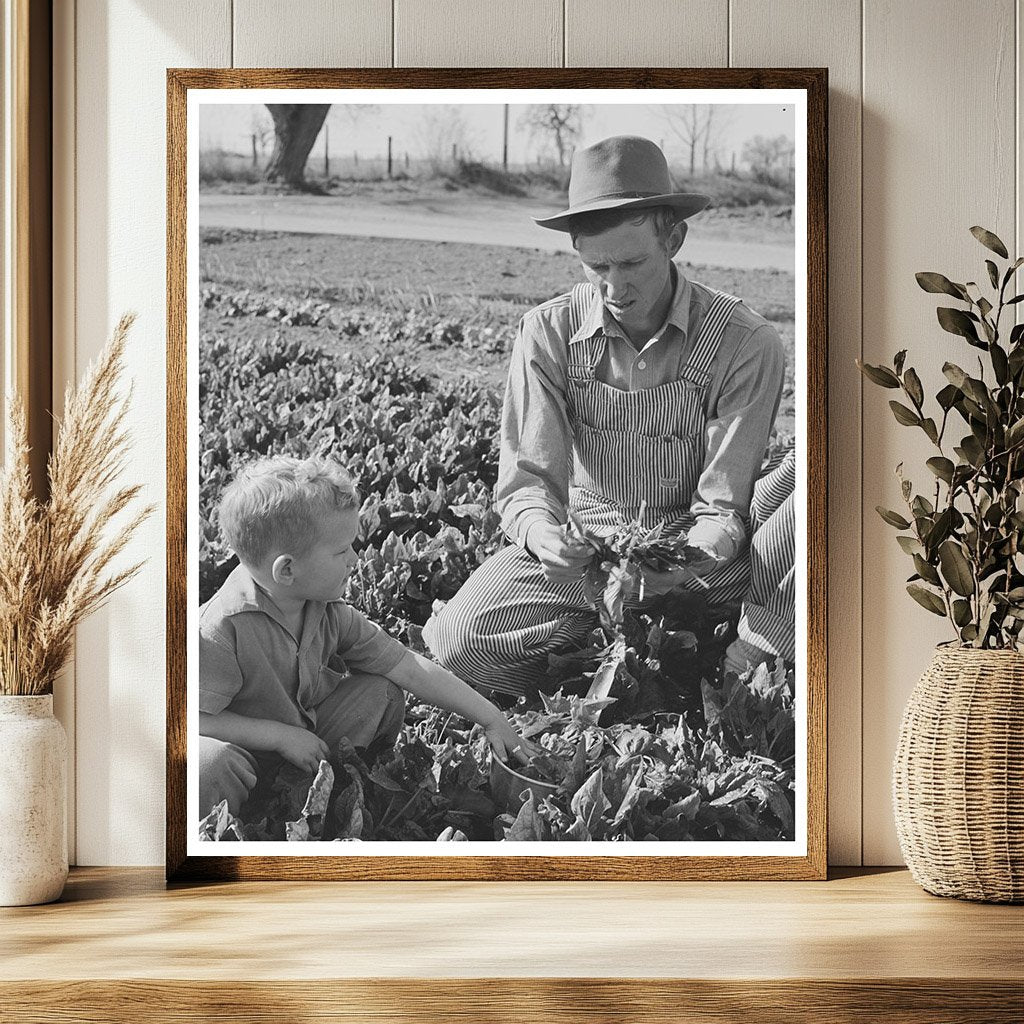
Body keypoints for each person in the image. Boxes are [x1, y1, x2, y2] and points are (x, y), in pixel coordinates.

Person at [425, 135, 795, 697]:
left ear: (674, 238)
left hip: (704, 555)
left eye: (631, 263)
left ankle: (750, 649)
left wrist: (686, 557)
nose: (613, 287)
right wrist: (545, 538)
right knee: (457, 646)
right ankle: (624, 656)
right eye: (595, 265)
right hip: (592, 545)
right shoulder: (547, 333)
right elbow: (527, 484)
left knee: (811, 477)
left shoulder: (745, 342)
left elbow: (723, 507)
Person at [198, 454, 532, 818]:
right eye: (342, 551)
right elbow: (190, 720)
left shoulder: (327, 610)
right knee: (206, 767)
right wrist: (280, 737)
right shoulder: (222, 627)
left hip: (306, 742)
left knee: (382, 690)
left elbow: (406, 666)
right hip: (244, 752)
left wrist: (491, 717)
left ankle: (326, 794)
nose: (356, 560)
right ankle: (240, 826)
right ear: (287, 569)